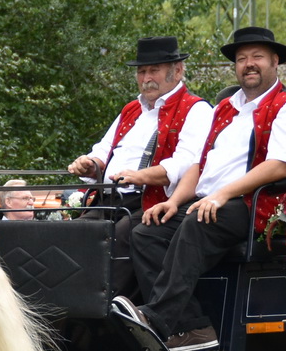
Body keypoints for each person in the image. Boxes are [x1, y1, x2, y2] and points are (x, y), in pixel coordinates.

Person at [120, 26, 286, 351]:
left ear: (275, 62)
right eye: (242, 59)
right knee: (146, 232)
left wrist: (222, 194)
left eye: (257, 56)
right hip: (212, 202)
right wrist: (173, 201)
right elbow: (199, 165)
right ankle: (193, 327)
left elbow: (278, 166)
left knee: (198, 222)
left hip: (259, 205)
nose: (249, 64)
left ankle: (158, 318)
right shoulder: (226, 108)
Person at [67, 37, 212, 299]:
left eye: (153, 70)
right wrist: (90, 164)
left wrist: (141, 176)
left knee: (119, 238)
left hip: (152, 201)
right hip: (110, 199)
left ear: (177, 71)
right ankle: (75, 309)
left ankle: (111, 312)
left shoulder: (196, 109)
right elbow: (104, 150)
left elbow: (186, 162)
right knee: (73, 236)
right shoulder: (131, 109)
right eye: (141, 71)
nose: (146, 78)